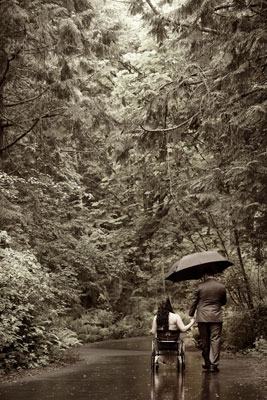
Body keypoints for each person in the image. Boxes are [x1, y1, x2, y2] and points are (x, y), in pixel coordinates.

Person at [189, 268, 227, 372]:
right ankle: (213, 365)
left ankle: (207, 362)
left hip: (202, 317)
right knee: (215, 340)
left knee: (205, 340)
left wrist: (191, 314)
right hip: (216, 317)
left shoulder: (200, 286)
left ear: (205, 275)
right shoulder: (221, 286)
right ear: (213, 274)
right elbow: (223, 302)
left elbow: (194, 301)